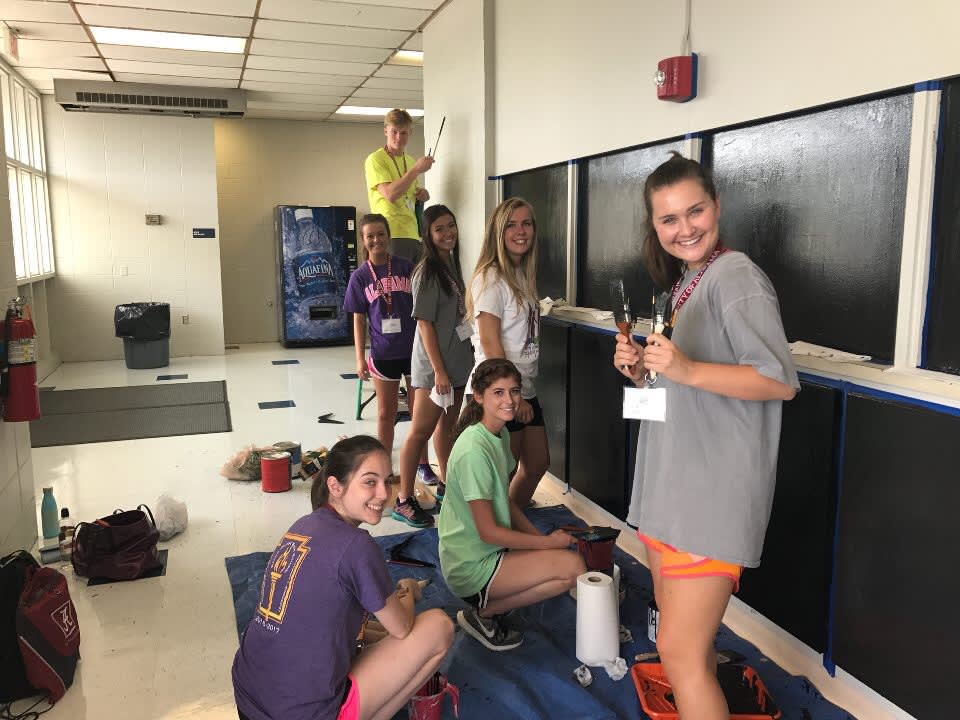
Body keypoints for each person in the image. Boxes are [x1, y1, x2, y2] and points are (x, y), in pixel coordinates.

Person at [612, 152, 799, 719]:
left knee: (680, 652)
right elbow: (685, 375)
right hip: (672, 489)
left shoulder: (736, 275)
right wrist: (643, 367)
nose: (684, 227)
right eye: (669, 219)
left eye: (695, 211)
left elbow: (777, 382)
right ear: (655, 226)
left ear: (717, 206)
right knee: (679, 648)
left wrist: (686, 369)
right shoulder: (689, 281)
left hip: (709, 498)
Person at [232, 435, 454, 720]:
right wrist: (407, 593)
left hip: (250, 697)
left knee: (371, 631)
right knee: (438, 626)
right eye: (369, 482)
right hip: (300, 712)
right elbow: (401, 628)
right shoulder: (357, 545)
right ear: (335, 487)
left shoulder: (303, 525)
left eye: (387, 481)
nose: (384, 493)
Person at [438, 358, 585, 651]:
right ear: (478, 397)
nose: (510, 400)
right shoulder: (473, 452)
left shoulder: (499, 433)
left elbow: (503, 501)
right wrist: (546, 546)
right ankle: (483, 614)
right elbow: (488, 533)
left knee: (565, 563)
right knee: (573, 568)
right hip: (470, 565)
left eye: (514, 391)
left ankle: (490, 603)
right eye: (498, 393)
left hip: (483, 552)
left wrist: (539, 541)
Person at [344, 214, 435, 528]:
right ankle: (383, 471)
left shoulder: (406, 268)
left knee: (418, 413)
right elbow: (357, 319)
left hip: (414, 352)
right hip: (382, 355)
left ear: (388, 235)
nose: (375, 241)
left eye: (380, 234)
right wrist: (359, 358)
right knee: (385, 414)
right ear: (364, 241)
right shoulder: (360, 277)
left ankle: (422, 464)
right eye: (369, 236)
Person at [466, 197, 547, 509]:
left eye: (526, 223)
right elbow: (490, 343)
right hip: (501, 390)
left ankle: (511, 518)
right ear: (498, 233)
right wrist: (514, 397)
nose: (521, 231)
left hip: (525, 385)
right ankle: (496, 536)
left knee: (537, 463)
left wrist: (523, 392)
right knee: (503, 471)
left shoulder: (521, 274)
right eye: (511, 225)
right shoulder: (491, 277)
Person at [398, 205, 474, 508]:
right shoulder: (427, 270)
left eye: (451, 226)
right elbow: (425, 324)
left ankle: (445, 486)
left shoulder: (451, 266)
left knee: (448, 428)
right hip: (434, 371)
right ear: (427, 235)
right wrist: (439, 372)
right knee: (419, 432)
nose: (447, 233)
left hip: (456, 365)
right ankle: (404, 499)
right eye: (439, 228)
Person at [364, 108, 434, 262]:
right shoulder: (375, 159)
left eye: (403, 133)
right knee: (395, 284)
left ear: (410, 132)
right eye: (394, 132)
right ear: (385, 131)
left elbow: (410, 193)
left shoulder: (409, 160)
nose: (398, 137)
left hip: (413, 233)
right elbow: (390, 194)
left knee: (415, 284)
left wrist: (422, 195)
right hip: (390, 232)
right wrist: (416, 170)